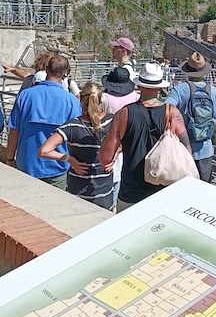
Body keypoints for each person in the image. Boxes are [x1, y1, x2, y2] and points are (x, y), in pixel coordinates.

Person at [100, 62, 190, 212]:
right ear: (160, 88)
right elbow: (187, 150)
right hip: (164, 191)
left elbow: (105, 158)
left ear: (138, 86)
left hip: (132, 192)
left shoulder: (124, 114)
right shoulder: (172, 113)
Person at [6, 55, 81, 189]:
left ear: (46, 70)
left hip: (27, 163)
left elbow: (14, 130)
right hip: (58, 164)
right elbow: (76, 135)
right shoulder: (72, 101)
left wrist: (10, 158)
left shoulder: (26, 95)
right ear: (65, 73)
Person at [38, 83, 114, 209]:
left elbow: (44, 151)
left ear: (81, 99)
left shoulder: (72, 126)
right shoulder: (112, 121)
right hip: (104, 191)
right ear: (101, 100)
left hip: (78, 190)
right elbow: (125, 142)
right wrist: (115, 155)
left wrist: (69, 159)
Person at [164, 52, 216, 183]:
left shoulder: (179, 89)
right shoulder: (213, 91)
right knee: (203, 189)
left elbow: (166, 110)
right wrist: (208, 131)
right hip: (206, 149)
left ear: (187, 70)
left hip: (183, 148)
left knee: (183, 188)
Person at [100, 67, 140, 208]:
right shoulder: (135, 97)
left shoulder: (104, 98)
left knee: (112, 174)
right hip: (129, 142)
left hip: (110, 140)